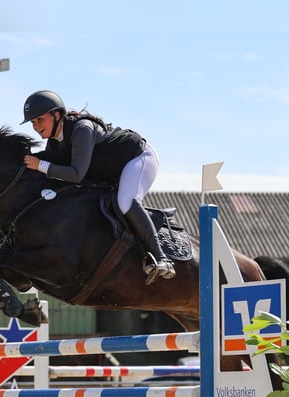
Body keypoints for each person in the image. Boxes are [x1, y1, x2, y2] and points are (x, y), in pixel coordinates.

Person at [20, 90, 175, 284]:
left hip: (139, 158)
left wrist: (40, 165)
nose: (36, 126)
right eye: (33, 122)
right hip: (112, 171)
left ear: (57, 115)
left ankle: (161, 259)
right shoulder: (54, 143)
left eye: (39, 119)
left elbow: (76, 174)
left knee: (125, 202)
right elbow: (51, 168)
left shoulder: (82, 129)